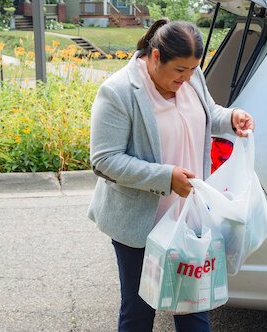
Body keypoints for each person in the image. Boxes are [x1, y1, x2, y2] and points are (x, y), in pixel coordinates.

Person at [87, 19, 254, 332]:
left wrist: (231, 118)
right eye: (179, 70)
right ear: (154, 57)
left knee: (193, 309)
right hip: (141, 226)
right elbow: (104, 160)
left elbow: (207, 114)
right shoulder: (119, 91)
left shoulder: (192, 76)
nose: (187, 77)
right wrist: (166, 178)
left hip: (188, 219)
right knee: (138, 313)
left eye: (192, 69)